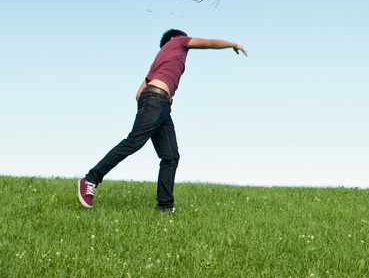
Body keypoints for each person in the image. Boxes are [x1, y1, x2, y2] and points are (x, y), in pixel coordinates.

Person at [78, 29, 247, 211]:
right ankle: (91, 179)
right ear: (174, 39)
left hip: (160, 105)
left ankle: (165, 206)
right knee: (134, 142)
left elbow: (138, 94)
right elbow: (210, 43)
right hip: (156, 101)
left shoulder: (157, 64)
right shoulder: (178, 41)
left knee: (171, 156)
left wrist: (152, 105)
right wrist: (233, 44)